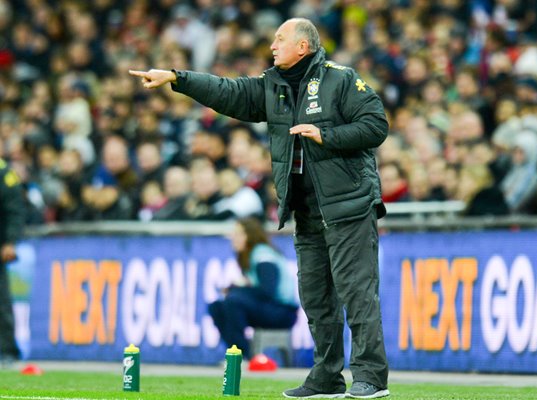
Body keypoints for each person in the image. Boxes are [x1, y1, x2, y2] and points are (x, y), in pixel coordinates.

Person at [130, 17, 390, 399]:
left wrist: (327, 135)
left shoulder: (342, 79)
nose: (272, 45)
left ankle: (370, 377)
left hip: (348, 207)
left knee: (356, 293)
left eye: (280, 39)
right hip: (306, 210)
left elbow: (376, 125)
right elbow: (227, 91)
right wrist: (176, 78)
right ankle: (327, 376)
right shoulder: (274, 87)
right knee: (316, 298)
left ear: (303, 46)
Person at [208, 218, 298, 360]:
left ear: (250, 236)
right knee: (216, 307)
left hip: (283, 311)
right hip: (269, 307)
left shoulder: (263, 255)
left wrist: (236, 290)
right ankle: (238, 352)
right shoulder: (248, 256)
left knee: (233, 302)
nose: (233, 238)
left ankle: (245, 356)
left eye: (238, 234)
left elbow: (267, 292)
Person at [0, 158, 25, 367]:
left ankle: (8, 350)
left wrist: (10, 240)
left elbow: (14, 209)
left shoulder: (5, 174)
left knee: (1, 302)